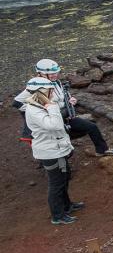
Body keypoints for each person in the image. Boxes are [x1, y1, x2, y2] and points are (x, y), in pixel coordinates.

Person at [14, 59, 113, 157]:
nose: (55, 75)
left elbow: (62, 96)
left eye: (56, 72)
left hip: (64, 117)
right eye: (51, 73)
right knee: (55, 143)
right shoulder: (36, 86)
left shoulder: (57, 82)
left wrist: (70, 100)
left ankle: (102, 150)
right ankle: (51, 162)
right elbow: (17, 103)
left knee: (92, 127)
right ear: (41, 73)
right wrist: (40, 109)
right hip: (50, 121)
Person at [24, 77, 84, 225]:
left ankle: (67, 205)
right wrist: (52, 107)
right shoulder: (34, 109)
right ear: (43, 92)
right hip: (50, 152)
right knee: (56, 183)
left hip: (56, 149)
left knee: (64, 177)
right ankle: (58, 215)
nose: (53, 93)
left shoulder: (39, 105)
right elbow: (55, 125)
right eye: (50, 90)